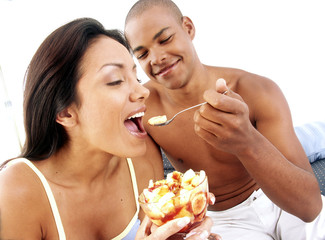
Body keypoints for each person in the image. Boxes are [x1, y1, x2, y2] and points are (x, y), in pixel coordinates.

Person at [0, 17, 218, 240]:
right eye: (115, 81)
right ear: (65, 112)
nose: (143, 91)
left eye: (136, 76)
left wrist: (184, 233)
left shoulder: (142, 160)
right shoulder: (16, 191)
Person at [124, 0, 325, 239]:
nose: (156, 58)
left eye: (165, 39)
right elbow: (150, 198)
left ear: (188, 28)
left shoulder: (257, 90)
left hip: (279, 198)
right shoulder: (144, 111)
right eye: (143, 53)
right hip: (222, 220)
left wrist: (246, 141)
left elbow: (309, 207)